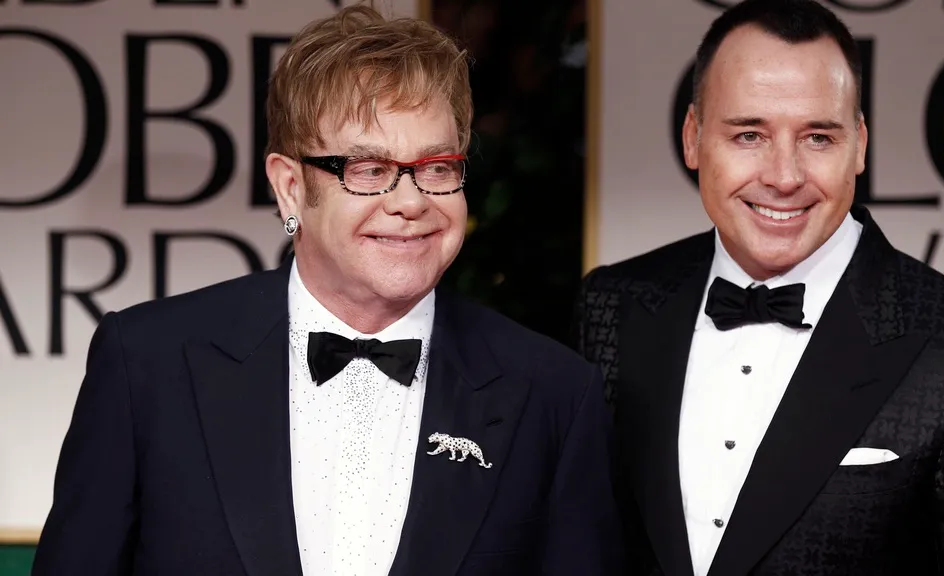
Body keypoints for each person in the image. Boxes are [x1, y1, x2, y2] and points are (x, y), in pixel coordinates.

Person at [32, 5, 623, 576]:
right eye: (369, 170)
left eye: (437, 167)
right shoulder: (147, 363)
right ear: (290, 188)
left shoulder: (553, 394)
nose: (411, 201)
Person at [573, 0, 944, 575]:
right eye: (748, 135)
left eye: (817, 138)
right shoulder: (612, 305)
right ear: (692, 138)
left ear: (859, 145)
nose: (784, 177)